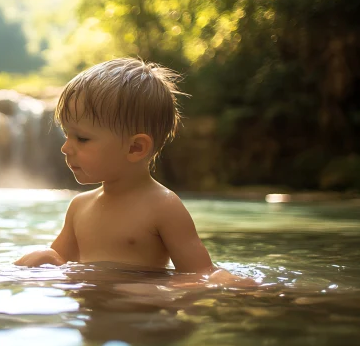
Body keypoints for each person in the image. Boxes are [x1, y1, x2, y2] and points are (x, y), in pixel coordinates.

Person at [15, 58, 252, 286]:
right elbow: (58, 261)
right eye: (67, 135)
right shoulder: (79, 207)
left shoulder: (163, 207)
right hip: (94, 322)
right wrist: (38, 259)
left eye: (82, 138)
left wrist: (223, 281)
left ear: (135, 147)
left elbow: (200, 274)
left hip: (142, 318)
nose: (65, 148)